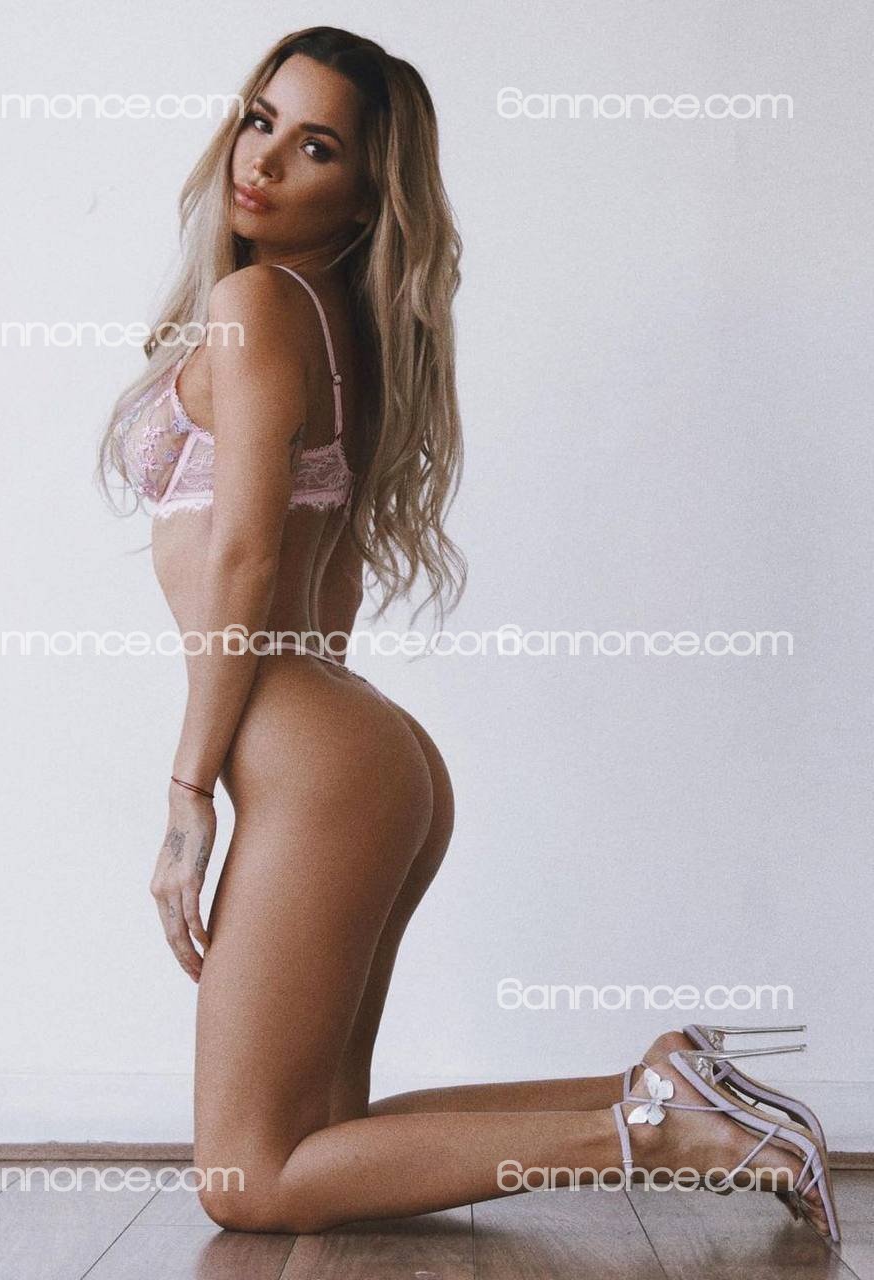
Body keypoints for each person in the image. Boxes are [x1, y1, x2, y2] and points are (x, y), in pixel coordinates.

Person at [95, 25, 837, 1240]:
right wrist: (307, 761)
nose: (263, 160)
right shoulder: (334, 319)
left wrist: (191, 793)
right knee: (320, 1130)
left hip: (316, 757)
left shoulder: (255, 303)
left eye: (315, 146)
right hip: (348, 750)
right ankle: (654, 1089)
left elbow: (246, 555)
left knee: (246, 1179)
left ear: (362, 195)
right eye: (261, 120)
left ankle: (663, 1131)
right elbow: (322, 572)